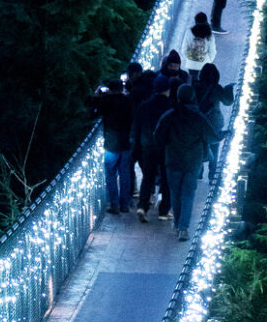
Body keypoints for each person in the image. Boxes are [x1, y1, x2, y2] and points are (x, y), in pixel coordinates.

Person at [153, 82, 214, 241]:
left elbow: (158, 136)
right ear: (192, 97)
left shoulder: (169, 115)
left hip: (173, 160)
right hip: (193, 161)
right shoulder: (199, 117)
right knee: (188, 194)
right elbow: (212, 136)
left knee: (175, 193)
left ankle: (177, 222)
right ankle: (183, 228)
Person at [91, 77, 134, 214]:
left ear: (109, 90)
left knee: (110, 174)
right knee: (125, 173)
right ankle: (125, 203)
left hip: (111, 143)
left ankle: (114, 204)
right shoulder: (128, 101)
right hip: (126, 141)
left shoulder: (107, 102)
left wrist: (97, 96)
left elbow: (94, 113)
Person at [132, 75, 171, 222]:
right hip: (165, 147)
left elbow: (136, 128)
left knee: (148, 177)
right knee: (166, 179)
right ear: (167, 90)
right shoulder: (171, 106)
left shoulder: (145, 106)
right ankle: (164, 211)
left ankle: (142, 206)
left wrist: (137, 146)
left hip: (147, 146)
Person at [193, 63, 234, 181]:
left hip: (198, 121)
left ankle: (199, 172)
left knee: (200, 146)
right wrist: (229, 88)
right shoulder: (216, 88)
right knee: (214, 149)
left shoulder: (195, 86)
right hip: (214, 122)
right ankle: (213, 175)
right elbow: (228, 101)